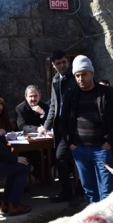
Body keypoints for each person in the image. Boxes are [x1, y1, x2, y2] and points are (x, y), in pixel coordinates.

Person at [61, 55, 113, 203]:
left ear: (92, 73)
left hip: (102, 149)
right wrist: (70, 143)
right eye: (77, 75)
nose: (80, 78)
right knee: (89, 190)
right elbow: (62, 122)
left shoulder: (108, 93)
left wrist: (109, 142)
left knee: (107, 190)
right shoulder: (71, 95)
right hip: (80, 149)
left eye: (84, 74)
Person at [38, 50, 79, 203]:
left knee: (62, 157)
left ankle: (74, 191)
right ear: (53, 65)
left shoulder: (75, 78)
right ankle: (69, 191)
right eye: (58, 63)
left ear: (68, 61)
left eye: (64, 62)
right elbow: (54, 106)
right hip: (60, 128)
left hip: (73, 127)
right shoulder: (55, 80)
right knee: (62, 159)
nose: (62, 65)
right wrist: (46, 126)